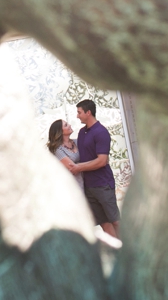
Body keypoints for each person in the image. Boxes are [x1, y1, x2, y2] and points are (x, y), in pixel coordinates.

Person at [72, 99, 120, 240]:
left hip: (103, 184)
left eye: (79, 112)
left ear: (88, 112)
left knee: (115, 221)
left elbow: (102, 161)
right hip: (89, 186)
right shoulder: (81, 133)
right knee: (104, 223)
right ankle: (116, 251)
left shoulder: (101, 132)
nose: (77, 116)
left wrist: (79, 167)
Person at [47, 119, 83, 190]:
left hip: (83, 182)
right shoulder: (57, 150)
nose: (70, 125)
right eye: (66, 125)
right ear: (60, 131)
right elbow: (73, 168)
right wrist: (94, 164)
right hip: (71, 187)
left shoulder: (77, 142)